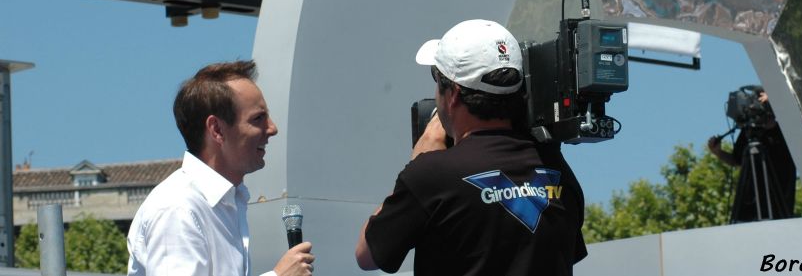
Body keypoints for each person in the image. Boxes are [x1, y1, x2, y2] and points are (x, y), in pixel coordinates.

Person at [355, 19, 587, 276]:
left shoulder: (430, 174)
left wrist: (421, 159)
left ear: (453, 94)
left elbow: (368, 254)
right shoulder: (555, 165)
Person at [127, 60, 315, 276]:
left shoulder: (228, 201)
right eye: (258, 118)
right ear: (217, 130)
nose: (272, 128)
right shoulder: (178, 208)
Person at [707, 87, 797, 222]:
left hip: (778, 207)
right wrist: (718, 153)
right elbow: (736, 160)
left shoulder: (786, 131)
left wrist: (776, 97)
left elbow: (800, 109)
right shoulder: (749, 132)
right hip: (750, 210)